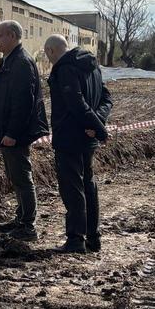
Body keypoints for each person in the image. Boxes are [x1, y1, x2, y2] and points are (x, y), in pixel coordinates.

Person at [44, 34, 113, 254]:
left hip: (69, 137)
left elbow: (76, 103)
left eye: (47, 55)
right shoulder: (92, 66)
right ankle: (93, 238)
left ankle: (75, 240)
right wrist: (97, 122)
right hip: (87, 137)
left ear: (51, 51)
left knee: (72, 188)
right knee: (88, 186)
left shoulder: (65, 69)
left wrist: (99, 128)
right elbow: (106, 99)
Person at [0, 20, 49, 241]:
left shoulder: (21, 62)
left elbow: (23, 103)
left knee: (21, 177)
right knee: (15, 176)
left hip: (15, 135)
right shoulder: (12, 60)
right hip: (8, 132)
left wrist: (12, 133)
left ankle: (28, 226)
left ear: (12, 35)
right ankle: (21, 218)